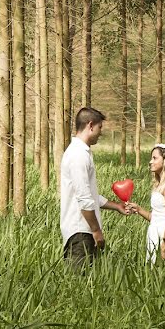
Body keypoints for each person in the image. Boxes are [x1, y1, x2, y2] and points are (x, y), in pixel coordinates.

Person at [60, 107, 130, 268]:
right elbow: (84, 199)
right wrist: (96, 230)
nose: (101, 132)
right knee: (79, 282)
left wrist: (116, 206)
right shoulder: (78, 155)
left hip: (84, 230)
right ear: (90, 125)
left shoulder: (82, 153)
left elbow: (90, 195)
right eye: (100, 128)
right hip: (81, 231)